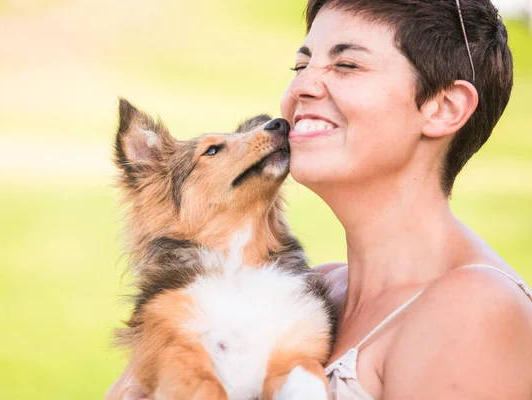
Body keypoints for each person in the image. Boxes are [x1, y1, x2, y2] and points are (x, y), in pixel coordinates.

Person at [105, 0, 532, 398]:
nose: (302, 86)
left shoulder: (475, 308)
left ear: (443, 107)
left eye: (346, 64)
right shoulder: (318, 287)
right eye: (301, 64)